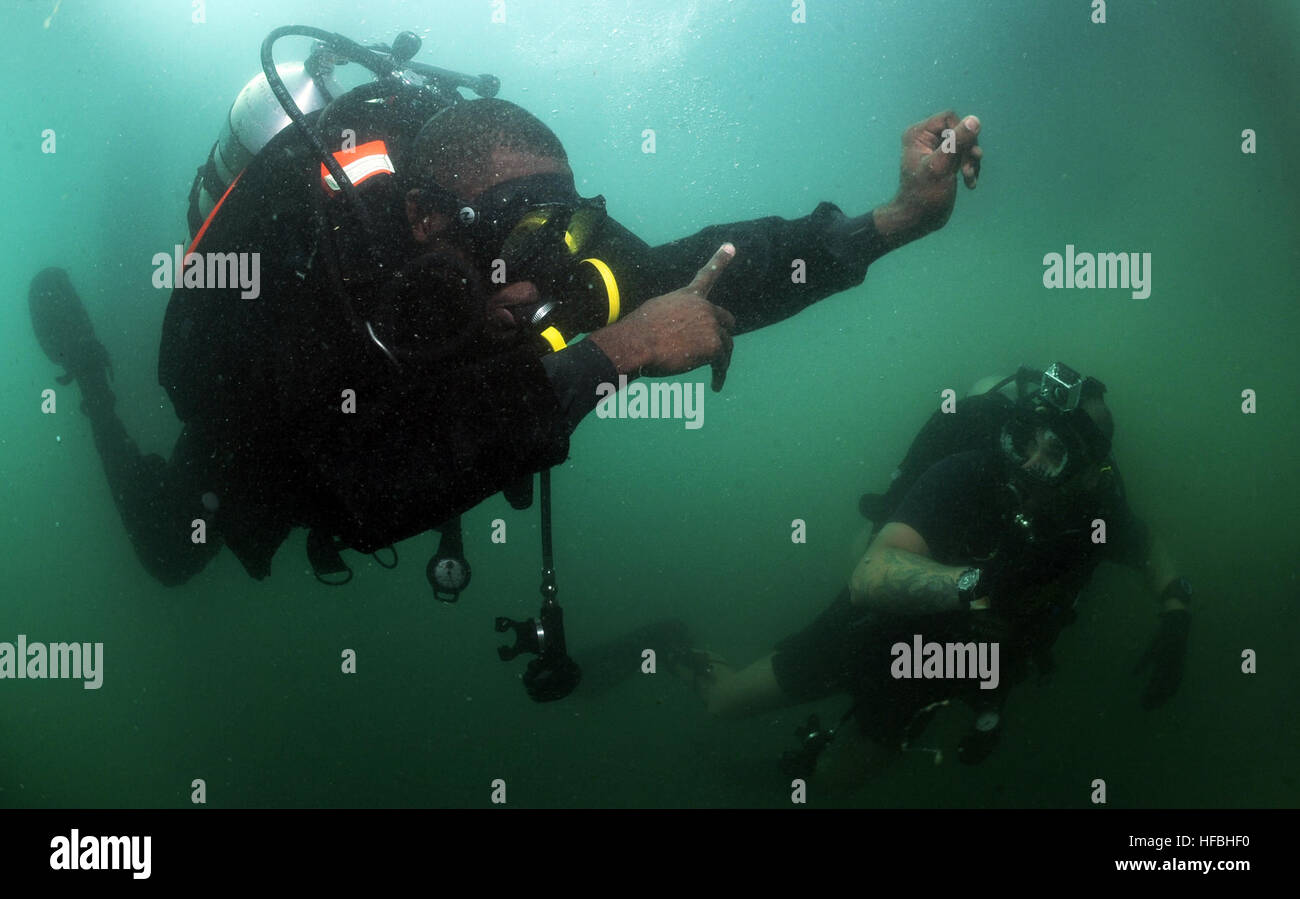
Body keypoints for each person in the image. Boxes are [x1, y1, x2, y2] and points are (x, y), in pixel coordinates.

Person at [28, 29, 983, 590]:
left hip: (427, 411)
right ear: (424, 218)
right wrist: (610, 353)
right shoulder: (324, 280)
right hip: (273, 424)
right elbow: (363, 494)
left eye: (555, 241)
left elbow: (724, 267)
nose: (535, 287)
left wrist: (900, 220)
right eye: (509, 249)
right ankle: (92, 379)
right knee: (171, 554)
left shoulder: (555, 252)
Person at [668, 363, 1192, 790]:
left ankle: (769, 781)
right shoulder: (966, 473)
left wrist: (1175, 612)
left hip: (955, 667)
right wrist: (971, 584)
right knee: (726, 701)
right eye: (1026, 441)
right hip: (876, 627)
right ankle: (672, 645)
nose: (1030, 463)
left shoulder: (1095, 514)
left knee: (833, 782)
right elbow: (871, 574)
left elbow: (1148, 548)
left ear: (1083, 473)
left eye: (1056, 455)